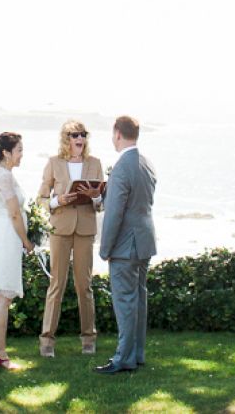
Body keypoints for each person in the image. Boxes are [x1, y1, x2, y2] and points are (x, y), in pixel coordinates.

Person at [36, 119, 104, 358]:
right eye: (75, 135)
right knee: (57, 284)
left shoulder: (95, 164)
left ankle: (88, 338)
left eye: (83, 135)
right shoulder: (54, 163)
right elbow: (41, 198)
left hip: (85, 229)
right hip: (61, 229)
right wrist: (57, 201)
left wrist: (96, 197)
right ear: (66, 139)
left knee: (84, 285)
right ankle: (47, 340)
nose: (80, 139)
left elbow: (100, 203)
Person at [96, 115, 157, 375]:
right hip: (145, 240)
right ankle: (137, 353)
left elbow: (114, 214)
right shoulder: (146, 163)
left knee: (125, 302)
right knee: (139, 301)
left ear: (118, 134)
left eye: (113, 135)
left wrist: (104, 248)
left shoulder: (122, 167)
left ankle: (123, 358)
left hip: (125, 245)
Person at [0, 131, 34, 370]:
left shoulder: (5, 175)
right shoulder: (4, 177)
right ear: (6, 153)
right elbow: (14, 213)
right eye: (19, 151)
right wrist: (26, 241)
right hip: (6, 238)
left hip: (6, 237)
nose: (22, 155)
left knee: (2, 298)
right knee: (3, 297)